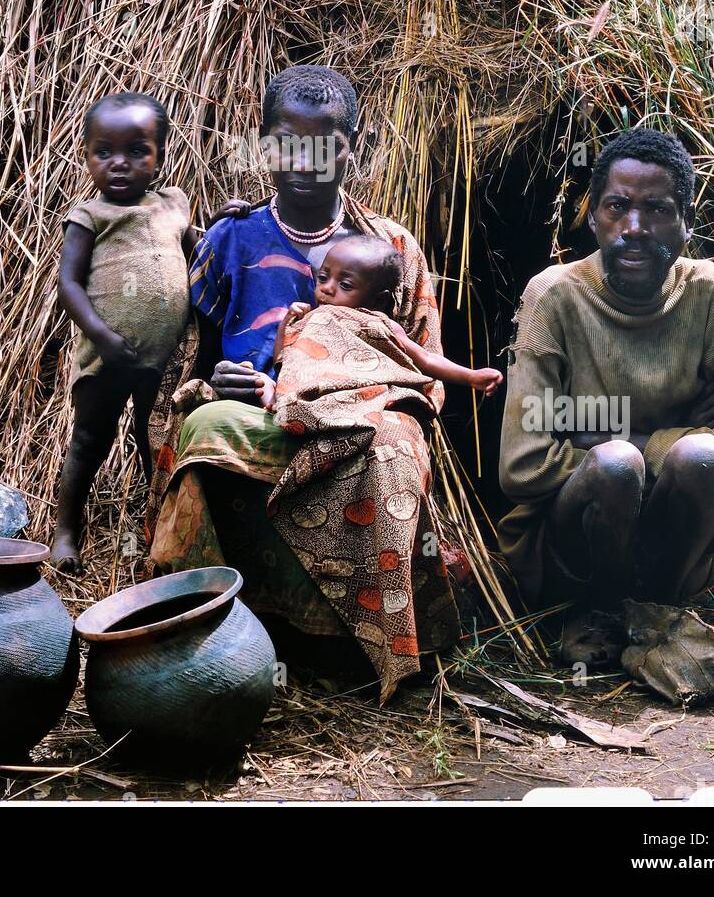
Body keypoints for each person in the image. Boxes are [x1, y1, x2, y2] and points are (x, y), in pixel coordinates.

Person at [145, 66, 480, 703]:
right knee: (207, 427)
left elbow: (424, 376)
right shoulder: (230, 240)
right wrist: (226, 383)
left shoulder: (392, 250)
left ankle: (354, 647)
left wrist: (363, 399)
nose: (303, 161)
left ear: (353, 147)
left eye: (324, 144)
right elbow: (199, 364)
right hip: (263, 417)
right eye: (285, 142)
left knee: (390, 443)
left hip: (363, 418)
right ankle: (209, 634)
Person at [497, 127, 714, 665]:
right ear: (594, 215)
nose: (635, 228)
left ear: (686, 223)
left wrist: (602, 432)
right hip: (572, 550)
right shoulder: (554, 297)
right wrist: (667, 433)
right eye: (617, 206)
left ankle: (657, 610)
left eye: (658, 210)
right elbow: (522, 465)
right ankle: (599, 610)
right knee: (617, 466)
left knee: (699, 456)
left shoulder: (710, 294)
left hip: (676, 551)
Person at [49, 91, 241, 573]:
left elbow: (197, 252)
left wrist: (221, 223)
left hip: (163, 360)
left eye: (137, 151)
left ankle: (153, 526)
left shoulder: (173, 204)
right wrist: (100, 333)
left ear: (160, 155)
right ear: (87, 155)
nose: (120, 163)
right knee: (89, 439)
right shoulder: (89, 216)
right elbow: (68, 285)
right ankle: (66, 531)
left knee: (153, 443)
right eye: (104, 151)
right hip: (106, 358)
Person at [255, 235, 503, 421]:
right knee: (264, 384)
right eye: (323, 278)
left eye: (346, 285)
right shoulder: (312, 318)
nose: (327, 288)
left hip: (348, 398)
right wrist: (288, 323)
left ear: (379, 300)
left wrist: (471, 376)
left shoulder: (380, 325)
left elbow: (425, 359)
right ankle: (281, 405)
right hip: (301, 392)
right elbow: (284, 360)